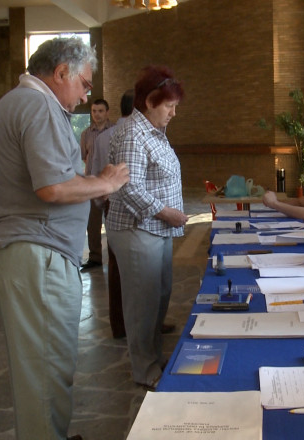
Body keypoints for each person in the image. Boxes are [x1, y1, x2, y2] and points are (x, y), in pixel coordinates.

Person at [0, 37, 129, 440]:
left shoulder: (27, 103)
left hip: (34, 252)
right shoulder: (36, 104)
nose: (85, 96)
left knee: (47, 367)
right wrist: (103, 183)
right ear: (61, 72)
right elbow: (52, 187)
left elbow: (56, 179)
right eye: (84, 83)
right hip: (35, 252)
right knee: (45, 371)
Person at [105, 65, 188, 390]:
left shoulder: (152, 131)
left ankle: (153, 357)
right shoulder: (133, 134)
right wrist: (165, 211)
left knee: (159, 295)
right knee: (142, 303)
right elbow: (126, 188)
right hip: (137, 230)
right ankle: (144, 369)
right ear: (151, 101)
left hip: (155, 229)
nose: (174, 112)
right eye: (169, 105)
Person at [90, 91, 133, 339]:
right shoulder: (131, 135)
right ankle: (143, 323)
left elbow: (96, 174)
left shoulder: (104, 137)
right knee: (143, 267)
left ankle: (120, 325)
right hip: (126, 206)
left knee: (117, 266)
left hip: (112, 203)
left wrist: (102, 203)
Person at [80, 98, 115, 270]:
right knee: (92, 223)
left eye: (100, 111)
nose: (97, 114)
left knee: (112, 222)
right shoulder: (86, 134)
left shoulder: (115, 132)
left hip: (109, 185)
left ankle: (115, 256)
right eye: (94, 111)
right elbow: (83, 157)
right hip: (92, 184)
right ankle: (95, 257)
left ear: (107, 112)